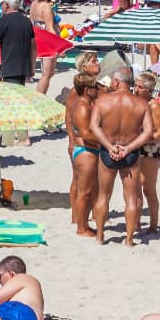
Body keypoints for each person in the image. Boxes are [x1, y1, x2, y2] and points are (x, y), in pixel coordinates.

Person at [89, 66, 154, 246]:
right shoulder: (141, 103)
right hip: (130, 152)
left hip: (108, 151)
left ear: (117, 82)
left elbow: (94, 127)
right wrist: (128, 148)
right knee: (131, 197)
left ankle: (100, 235)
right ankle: (129, 239)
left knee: (103, 195)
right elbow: (148, 132)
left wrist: (110, 146)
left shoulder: (103, 101)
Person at [68, 73, 100, 236]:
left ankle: (83, 224)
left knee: (86, 190)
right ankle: (81, 228)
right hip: (86, 152)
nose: (98, 89)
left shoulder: (82, 103)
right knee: (85, 192)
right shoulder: (82, 106)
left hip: (84, 150)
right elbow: (86, 134)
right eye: (95, 87)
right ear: (88, 90)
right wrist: (106, 141)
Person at [135, 71, 160, 233]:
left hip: (151, 150)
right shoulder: (137, 102)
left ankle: (153, 225)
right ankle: (137, 223)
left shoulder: (154, 106)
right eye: (135, 86)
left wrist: (143, 139)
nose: (136, 89)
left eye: (140, 87)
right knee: (135, 187)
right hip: (138, 148)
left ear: (148, 90)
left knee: (148, 188)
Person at [0, 0, 37, 84]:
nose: (0, 6)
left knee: (11, 96)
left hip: (9, 68)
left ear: (7, 4)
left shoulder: (3, 21)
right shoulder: (26, 21)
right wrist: (32, 67)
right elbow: (33, 46)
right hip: (24, 69)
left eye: (1, 3)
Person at [29, 0, 58, 95]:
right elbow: (50, 28)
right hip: (46, 41)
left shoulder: (33, 4)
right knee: (47, 74)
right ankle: (39, 98)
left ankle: (39, 97)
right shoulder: (46, 7)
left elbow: (32, 22)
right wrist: (58, 46)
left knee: (46, 74)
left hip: (36, 37)